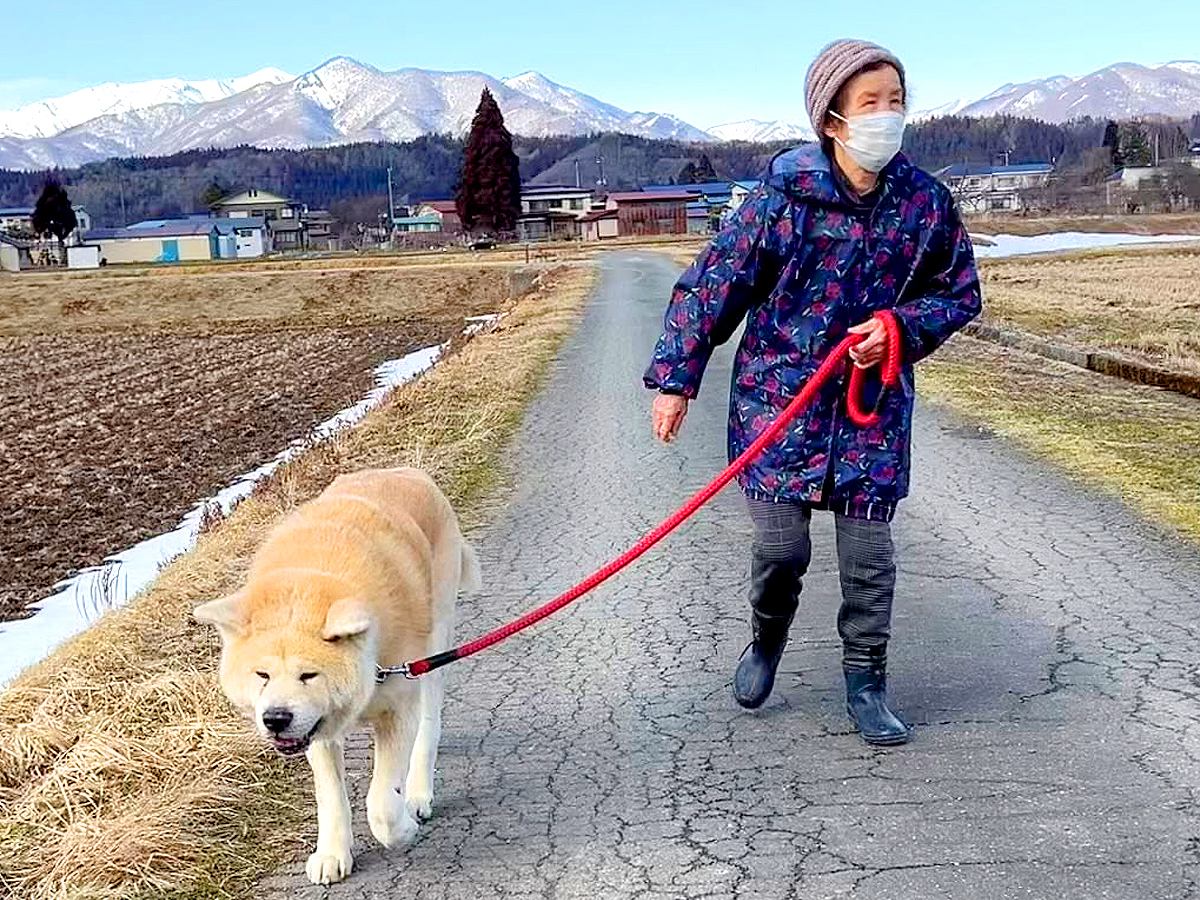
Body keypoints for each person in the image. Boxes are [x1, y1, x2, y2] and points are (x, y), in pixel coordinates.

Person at [643, 39, 982, 745]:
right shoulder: (780, 201)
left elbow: (958, 292)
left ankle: (867, 683)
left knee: (869, 561)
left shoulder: (925, 204)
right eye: (870, 103)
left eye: (896, 100)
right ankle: (766, 640)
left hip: (871, 409)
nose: (887, 114)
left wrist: (900, 327)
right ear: (832, 120)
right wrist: (676, 380)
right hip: (780, 403)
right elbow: (712, 289)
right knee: (780, 552)